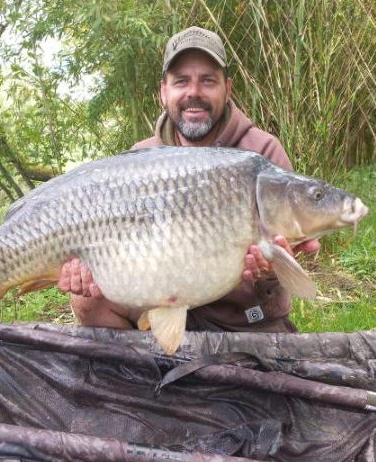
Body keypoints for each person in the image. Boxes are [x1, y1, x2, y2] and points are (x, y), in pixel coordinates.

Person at [58, 26, 319, 334]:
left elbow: (286, 261)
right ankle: (140, 369)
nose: (194, 92)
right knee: (87, 300)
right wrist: (86, 268)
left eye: (208, 80)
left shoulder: (261, 152)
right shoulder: (140, 160)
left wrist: (271, 271)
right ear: (163, 92)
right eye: (182, 81)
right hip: (162, 297)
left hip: (244, 320)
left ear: (227, 88)